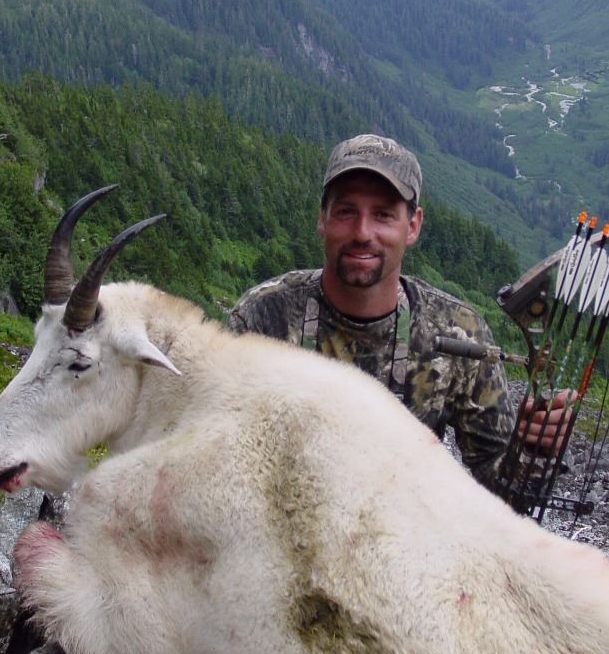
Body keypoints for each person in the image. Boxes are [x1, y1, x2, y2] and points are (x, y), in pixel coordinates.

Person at [229, 133, 570, 497]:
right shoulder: (262, 318)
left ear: (413, 226)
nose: (362, 233)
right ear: (322, 220)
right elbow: (224, 464)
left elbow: (501, 497)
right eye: (346, 212)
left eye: (383, 215)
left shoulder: (459, 334)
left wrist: (533, 448)